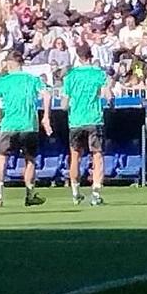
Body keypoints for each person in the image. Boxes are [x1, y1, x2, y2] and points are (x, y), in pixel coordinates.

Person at [0, 51, 47, 208]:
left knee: (1, 157)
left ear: (10, 63)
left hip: (9, 125)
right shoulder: (33, 79)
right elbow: (47, 94)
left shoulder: (2, 81)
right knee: (30, 159)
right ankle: (30, 195)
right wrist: (46, 115)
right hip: (29, 125)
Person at [61, 44, 110, 207]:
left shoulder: (70, 76)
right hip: (94, 119)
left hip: (75, 121)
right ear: (91, 56)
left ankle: (75, 193)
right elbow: (107, 95)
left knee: (75, 156)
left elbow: (64, 104)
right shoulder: (98, 74)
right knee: (97, 155)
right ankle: (95, 194)